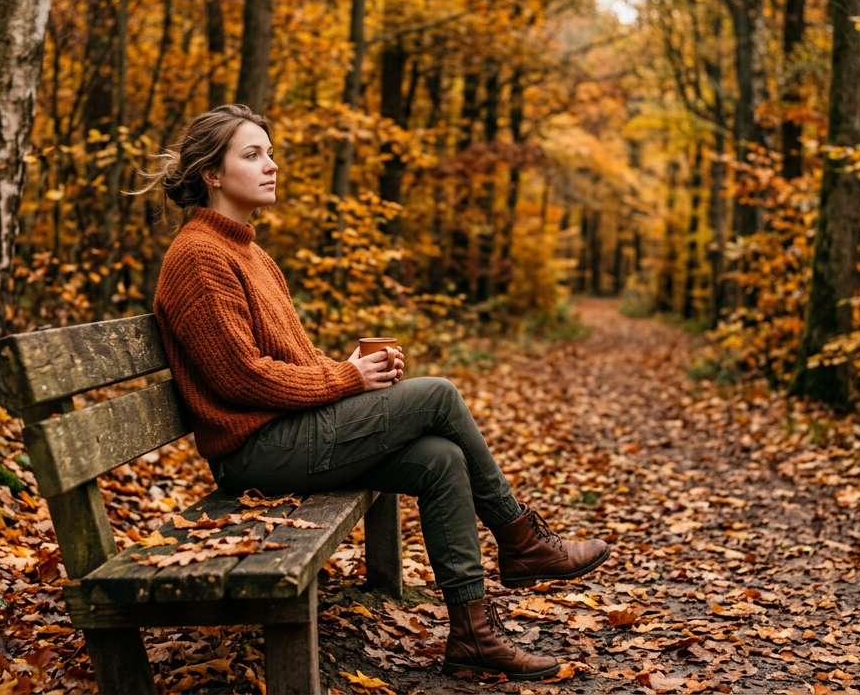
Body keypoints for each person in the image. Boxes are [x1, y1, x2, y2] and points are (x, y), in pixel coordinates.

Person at [144, 104, 609, 680]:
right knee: (438, 395)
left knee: (441, 460)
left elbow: (290, 359)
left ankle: (473, 633)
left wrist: (345, 367)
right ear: (212, 174)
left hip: (288, 437)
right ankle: (520, 538)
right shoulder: (198, 256)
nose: (272, 165)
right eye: (253, 154)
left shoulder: (249, 251)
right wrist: (348, 380)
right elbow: (241, 377)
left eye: (270, 152)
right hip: (257, 453)